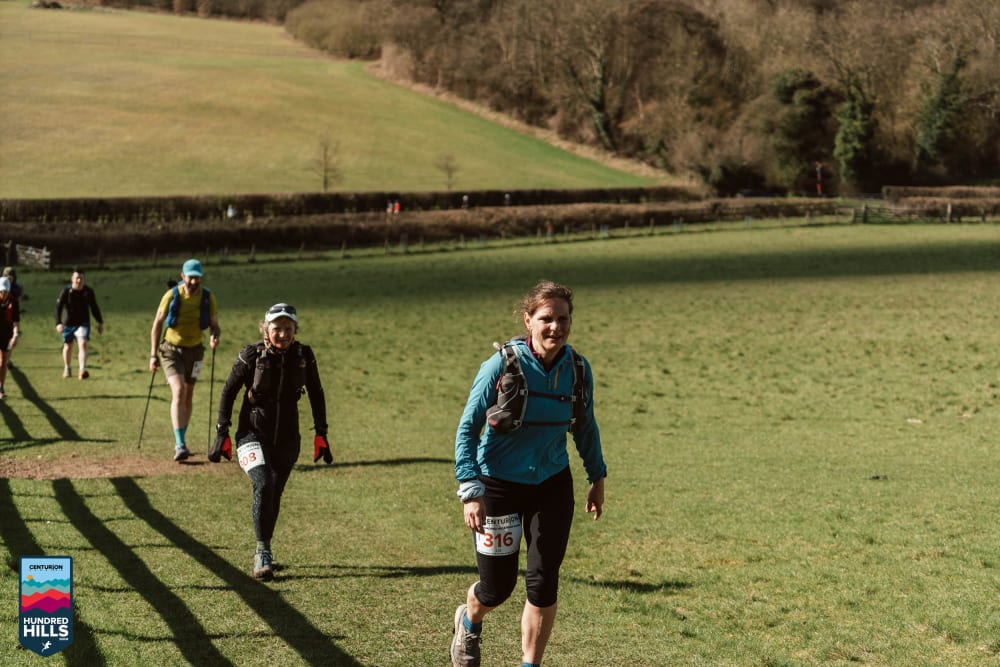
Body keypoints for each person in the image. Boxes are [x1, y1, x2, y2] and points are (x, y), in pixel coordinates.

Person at [451, 280, 607, 667]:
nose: (556, 327)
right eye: (546, 319)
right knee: (497, 588)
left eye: (563, 319)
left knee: (543, 581)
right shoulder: (502, 365)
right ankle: (469, 620)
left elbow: (585, 426)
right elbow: (468, 428)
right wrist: (470, 489)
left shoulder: (577, 369)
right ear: (528, 320)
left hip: (551, 484)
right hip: (498, 485)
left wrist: (597, 477)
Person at [209, 303, 331, 580]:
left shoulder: (303, 356)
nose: (283, 334)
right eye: (277, 328)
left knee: (274, 493)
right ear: (266, 329)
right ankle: (262, 551)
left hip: (288, 439)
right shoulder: (251, 355)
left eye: (288, 328)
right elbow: (228, 391)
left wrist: (321, 433)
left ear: (295, 330)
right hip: (251, 434)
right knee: (263, 484)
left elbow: (316, 392)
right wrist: (221, 431)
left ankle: (266, 549)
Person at [149, 259, 220, 461]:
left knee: (188, 395)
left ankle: (182, 439)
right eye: (191, 277)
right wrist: (153, 355)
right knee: (179, 391)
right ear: (183, 276)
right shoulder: (171, 295)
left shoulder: (207, 297)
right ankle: (179, 444)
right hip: (171, 350)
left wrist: (215, 336)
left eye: (197, 277)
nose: (194, 281)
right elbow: (157, 324)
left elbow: (215, 325)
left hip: (196, 352)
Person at [55, 269, 105, 379]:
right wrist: (58, 323)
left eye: (81, 278)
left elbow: (94, 307)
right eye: (77, 278)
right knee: (68, 346)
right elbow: (58, 308)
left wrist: (100, 322)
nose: (79, 280)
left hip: (83, 323)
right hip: (68, 323)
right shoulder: (66, 291)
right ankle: (67, 368)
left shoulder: (88, 292)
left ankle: (82, 370)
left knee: (83, 344)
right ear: (72, 279)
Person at [0, 276, 21, 400]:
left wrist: (15, 335)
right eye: (2, 291)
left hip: (6, 334)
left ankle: (1, 387)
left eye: (6, 291)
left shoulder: (14, 302)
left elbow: (16, 321)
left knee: (3, 361)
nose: (4, 294)